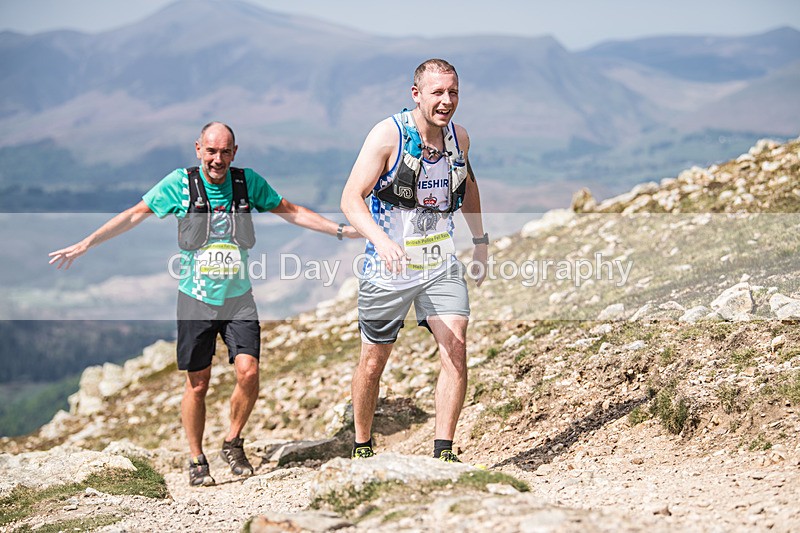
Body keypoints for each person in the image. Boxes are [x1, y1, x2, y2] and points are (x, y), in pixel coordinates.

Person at [49, 122, 359, 486]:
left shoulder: (246, 183)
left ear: (235, 152)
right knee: (198, 384)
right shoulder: (179, 184)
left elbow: (290, 209)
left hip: (238, 297)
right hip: (195, 299)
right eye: (211, 151)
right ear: (198, 149)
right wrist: (87, 243)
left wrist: (339, 230)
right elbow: (135, 214)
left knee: (249, 372)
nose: (218, 159)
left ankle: (233, 441)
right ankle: (197, 458)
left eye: (225, 152)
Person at [340, 59, 488, 463]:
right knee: (374, 360)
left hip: (440, 263)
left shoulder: (460, 137)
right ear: (416, 94)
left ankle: (443, 451)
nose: (446, 101)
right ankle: (363, 444)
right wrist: (382, 241)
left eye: (453, 92)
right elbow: (351, 199)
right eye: (437, 92)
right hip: (389, 266)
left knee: (456, 346)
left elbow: (469, 187)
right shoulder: (388, 135)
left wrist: (480, 240)